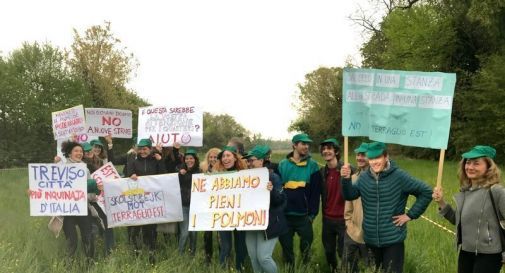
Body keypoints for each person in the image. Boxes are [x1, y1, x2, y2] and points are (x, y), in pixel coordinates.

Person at [340, 142, 432, 273]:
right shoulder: (364, 178)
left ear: (386, 157)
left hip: (393, 241)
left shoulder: (399, 176)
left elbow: (426, 192)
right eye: (371, 159)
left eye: (378, 158)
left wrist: (410, 215)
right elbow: (350, 195)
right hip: (370, 240)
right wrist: (345, 179)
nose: (374, 162)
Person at [432, 145, 505, 273]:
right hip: (465, 252)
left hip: (489, 255)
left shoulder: (496, 191)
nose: (470, 167)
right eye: (468, 162)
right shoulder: (465, 192)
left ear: (489, 166)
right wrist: (441, 202)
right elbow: (457, 221)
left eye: (476, 163)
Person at [277, 133, 322, 270]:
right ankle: (289, 270)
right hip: (285, 216)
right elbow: (278, 191)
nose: (306, 146)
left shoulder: (313, 166)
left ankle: (305, 269)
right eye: (303, 143)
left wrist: (312, 215)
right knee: (287, 250)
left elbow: (315, 193)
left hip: (304, 217)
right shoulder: (283, 165)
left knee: (306, 250)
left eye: (308, 144)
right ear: (294, 145)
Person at [243, 145, 287, 273]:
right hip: (251, 223)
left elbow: (281, 200)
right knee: (254, 258)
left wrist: (272, 190)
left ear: (261, 161)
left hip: (270, 224)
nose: (249, 163)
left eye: (252, 160)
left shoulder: (273, 177)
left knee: (263, 258)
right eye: (248, 161)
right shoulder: (245, 178)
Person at [125, 138, 166, 263]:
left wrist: (161, 161)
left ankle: (151, 253)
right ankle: (137, 253)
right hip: (137, 202)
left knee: (151, 229)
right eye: (140, 149)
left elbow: (163, 175)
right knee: (136, 229)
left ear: (150, 149)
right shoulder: (133, 161)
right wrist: (131, 175)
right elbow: (128, 174)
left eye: (145, 149)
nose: (142, 151)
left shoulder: (156, 160)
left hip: (152, 202)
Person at [55, 141, 97, 260]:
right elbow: (52, 188)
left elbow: (91, 192)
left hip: (83, 209)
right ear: (69, 153)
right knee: (71, 240)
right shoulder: (61, 168)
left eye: (81, 151)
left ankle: (90, 264)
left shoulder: (86, 170)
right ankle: (68, 267)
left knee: (88, 238)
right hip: (68, 211)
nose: (79, 153)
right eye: (76, 151)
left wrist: (90, 195)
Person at [213, 146, 248, 271]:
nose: (225, 158)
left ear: (235, 157)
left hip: (241, 217)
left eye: (228, 155)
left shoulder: (245, 175)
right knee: (225, 247)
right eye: (223, 156)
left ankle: (240, 269)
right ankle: (223, 269)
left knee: (240, 246)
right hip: (224, 217)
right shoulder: (216, 176)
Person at [82, 141, 115, 256]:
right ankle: (91, 254)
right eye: (85, 151)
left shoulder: (100, 162)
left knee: (107, 223)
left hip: (101, 198)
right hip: (89, 200)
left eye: (89, 150)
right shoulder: (81, 166)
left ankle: (109, 251)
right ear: (82, 154)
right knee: (93, 228)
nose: (89, 152)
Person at [343, 142, 371, 273]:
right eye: (358, 154)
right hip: (352, 233)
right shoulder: (353, 178)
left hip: (370, 236)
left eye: (363, 155)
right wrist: (349, 224)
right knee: (349, 268)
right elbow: (348, 207)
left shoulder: (378, 180)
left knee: (371, 268)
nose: (359, 158)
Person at [318, 138, 345, 272]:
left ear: (336, 151)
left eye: (329, 148)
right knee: (329, 253)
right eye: (323, 149)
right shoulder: (322, 173)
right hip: (327, 219)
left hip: (344, 220)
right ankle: (334, 270)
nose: (326, 151)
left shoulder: (347, 169)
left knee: (343, 252)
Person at [199, 147, 222, 263]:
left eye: (215, 157)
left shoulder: (223, 169)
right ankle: (208, 258)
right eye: (211, 157)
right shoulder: (203, 169)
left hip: (220, 206)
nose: (213, 159)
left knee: (220, 235)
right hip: (207, 206)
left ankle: (223, 258)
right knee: (207, 234)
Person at [177, 148, 201, 255]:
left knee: (194, 233)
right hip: (184, 206)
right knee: (185, 233)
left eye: (191, 158)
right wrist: (180, 173)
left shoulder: (200, 172)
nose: (189, 160)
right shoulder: (181, 171)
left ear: (195, 160)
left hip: (196, 207)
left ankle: (192, 254)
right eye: (187, 158)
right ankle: (180, 254)